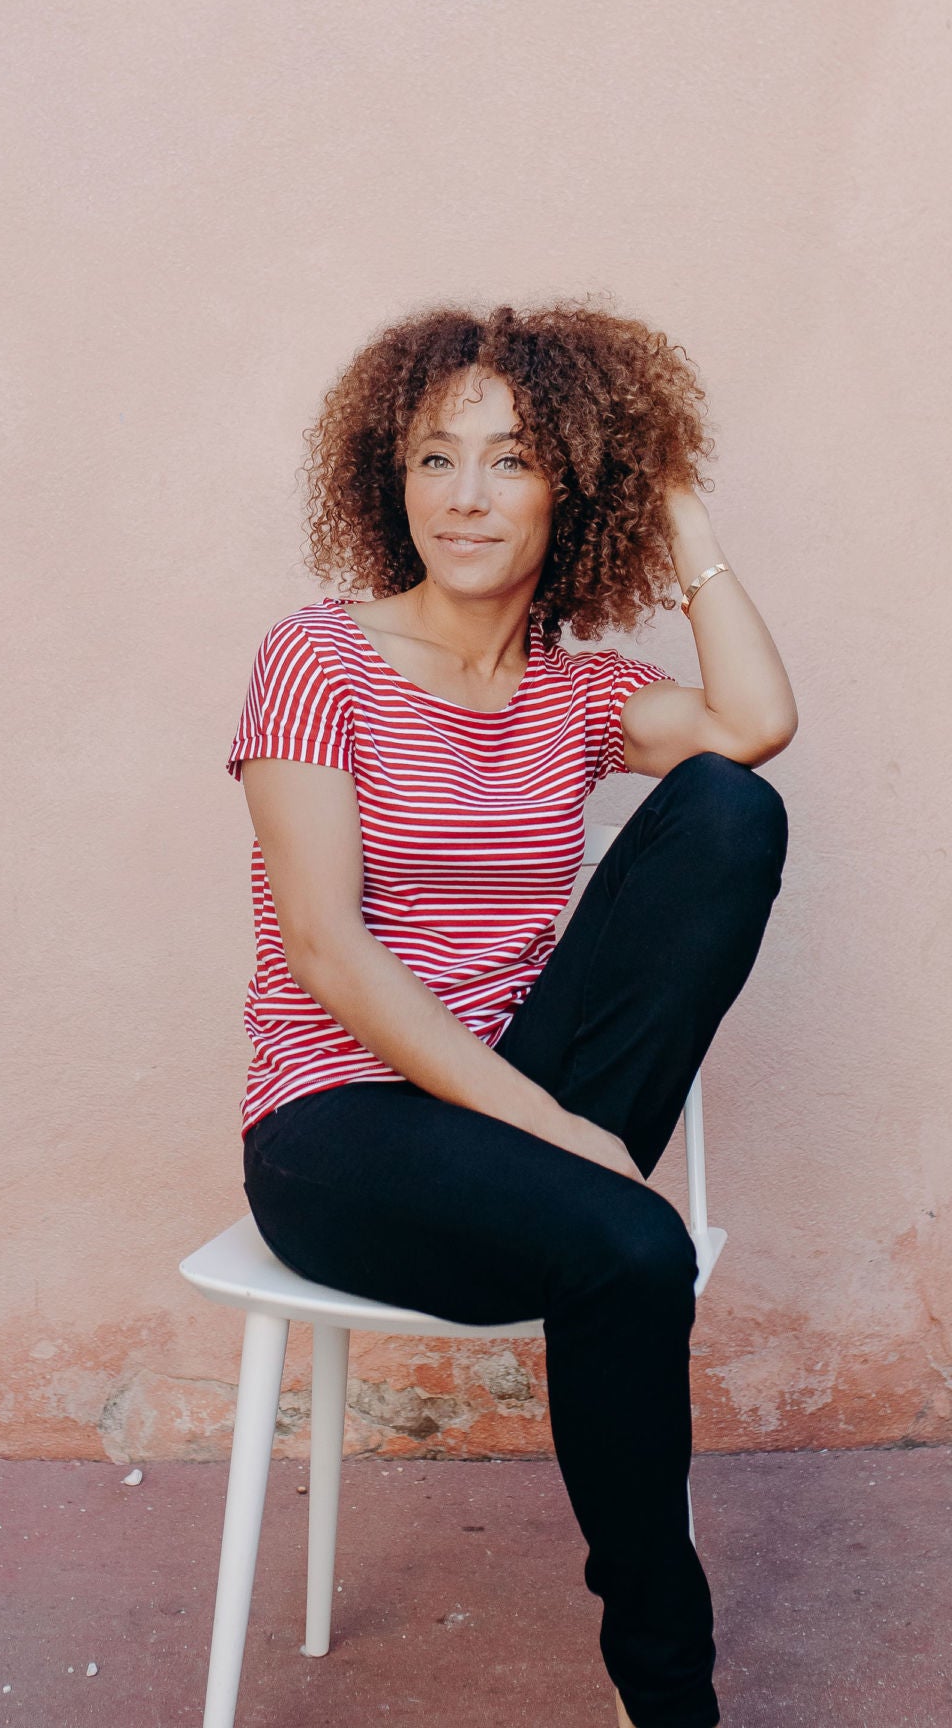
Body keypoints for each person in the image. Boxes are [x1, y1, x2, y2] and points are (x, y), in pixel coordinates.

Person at [225, 301, 797, 1728]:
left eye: (516, 459)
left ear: (572, 490)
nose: (467, 496)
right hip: (341, 1130)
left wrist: (672, 501)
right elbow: (326, 948)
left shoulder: (576, 690)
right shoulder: (319, 660)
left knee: (731, 810)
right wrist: (556, 1129)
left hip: (516, 1106)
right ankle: (672, 1696)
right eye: (436, 459)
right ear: (390, 479)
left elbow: (752, 723)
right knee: (630, 1245)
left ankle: (583, 1206)